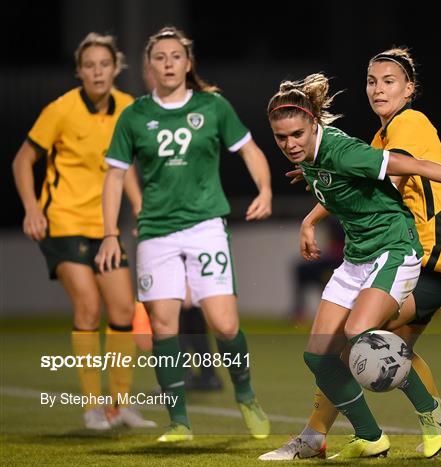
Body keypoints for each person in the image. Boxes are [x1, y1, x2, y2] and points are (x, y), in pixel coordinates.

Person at [260, 73, 441, 460]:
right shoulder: (313, 159)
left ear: (314, 125)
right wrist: (309, 218)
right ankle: (369, 437)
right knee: (317, 356)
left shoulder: (346, 150)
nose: (290, 144)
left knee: (359, 334)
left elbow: (414, 166)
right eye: (281, 138)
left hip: (394, 251)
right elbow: (342, 190)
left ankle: (432, 412)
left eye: (297, 135)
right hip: (357, 259)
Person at [95, 26, 272, 442]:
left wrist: (264, 189)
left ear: (188, 63)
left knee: (225, 325)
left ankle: (245, 395)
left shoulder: (212, 107)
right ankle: (179, 421)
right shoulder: (134, 115)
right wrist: (108, 233)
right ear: (149, 66)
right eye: (160, 57)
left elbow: (249, 149)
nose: (169, 63)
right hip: (156, 232)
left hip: (206, 228)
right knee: (162, 326)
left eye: (176, 56)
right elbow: (114, 177)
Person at [12, 33, 155, 431]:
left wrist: (140, 205)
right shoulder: (59, 110)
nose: (97, 71)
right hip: (62, 223)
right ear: (79, 71)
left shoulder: (128, 107)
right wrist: (30, 209)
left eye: (103, 65)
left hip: (105, 229)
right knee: (89, 307)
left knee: (124, 311)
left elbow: (121, 167)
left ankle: (120, 405)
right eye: (89, 65)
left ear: (115, 69)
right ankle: (93, 406)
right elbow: (23, 160)